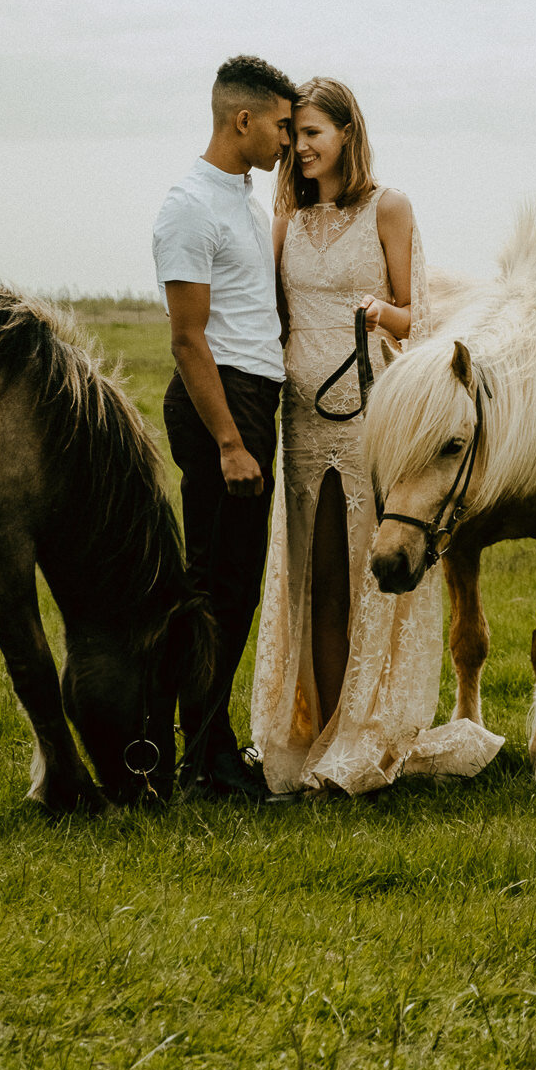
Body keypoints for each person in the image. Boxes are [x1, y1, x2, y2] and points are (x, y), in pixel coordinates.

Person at [250, 77, 503, 795]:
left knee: (370, 577)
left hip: (368, 415)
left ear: (346, 135)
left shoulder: (389, 208)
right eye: (293, 136)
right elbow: (273, 319)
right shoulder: (285, 222)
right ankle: (322, 728)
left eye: (312, 134)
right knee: (318, 580)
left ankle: (366, 729)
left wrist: (378, 314)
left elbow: (418, 318)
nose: (299, 148)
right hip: (300, 421)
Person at [153, 54, 298, 800]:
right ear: (242, 120)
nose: (288, 141)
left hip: (253, 398)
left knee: (236, 586)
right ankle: (199, 761)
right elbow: (187, 339)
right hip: (221, 404)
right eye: (279, 125)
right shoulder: (189, 207)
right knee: (216, 584)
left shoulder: (245, 196)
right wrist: (230, 443)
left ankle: (209, 747)